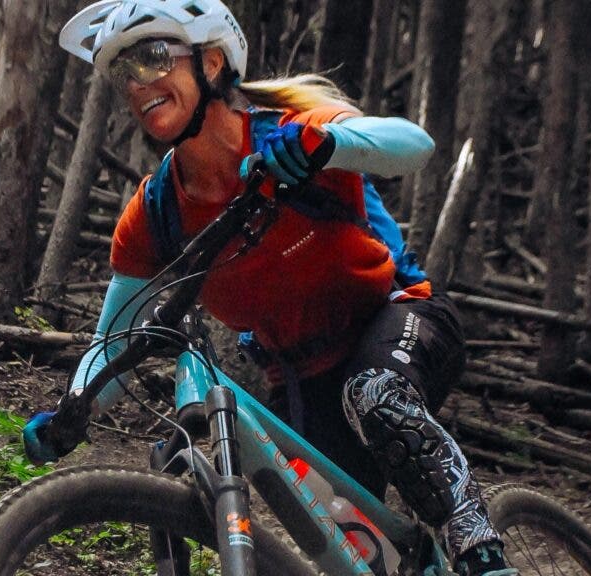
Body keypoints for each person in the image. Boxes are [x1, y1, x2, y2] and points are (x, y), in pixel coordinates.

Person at [26, 2, 516, 575]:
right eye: (123, 73)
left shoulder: (288, 137)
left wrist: (328, 148)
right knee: (356, 560)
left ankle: (479, 549)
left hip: (401, 318)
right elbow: (115, 341)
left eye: (154, 59)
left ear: (211, 63)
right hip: (303, 384)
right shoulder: (156, 212)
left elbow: (414, 145)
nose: (138, 84)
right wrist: (72, 408)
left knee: (375, 392)